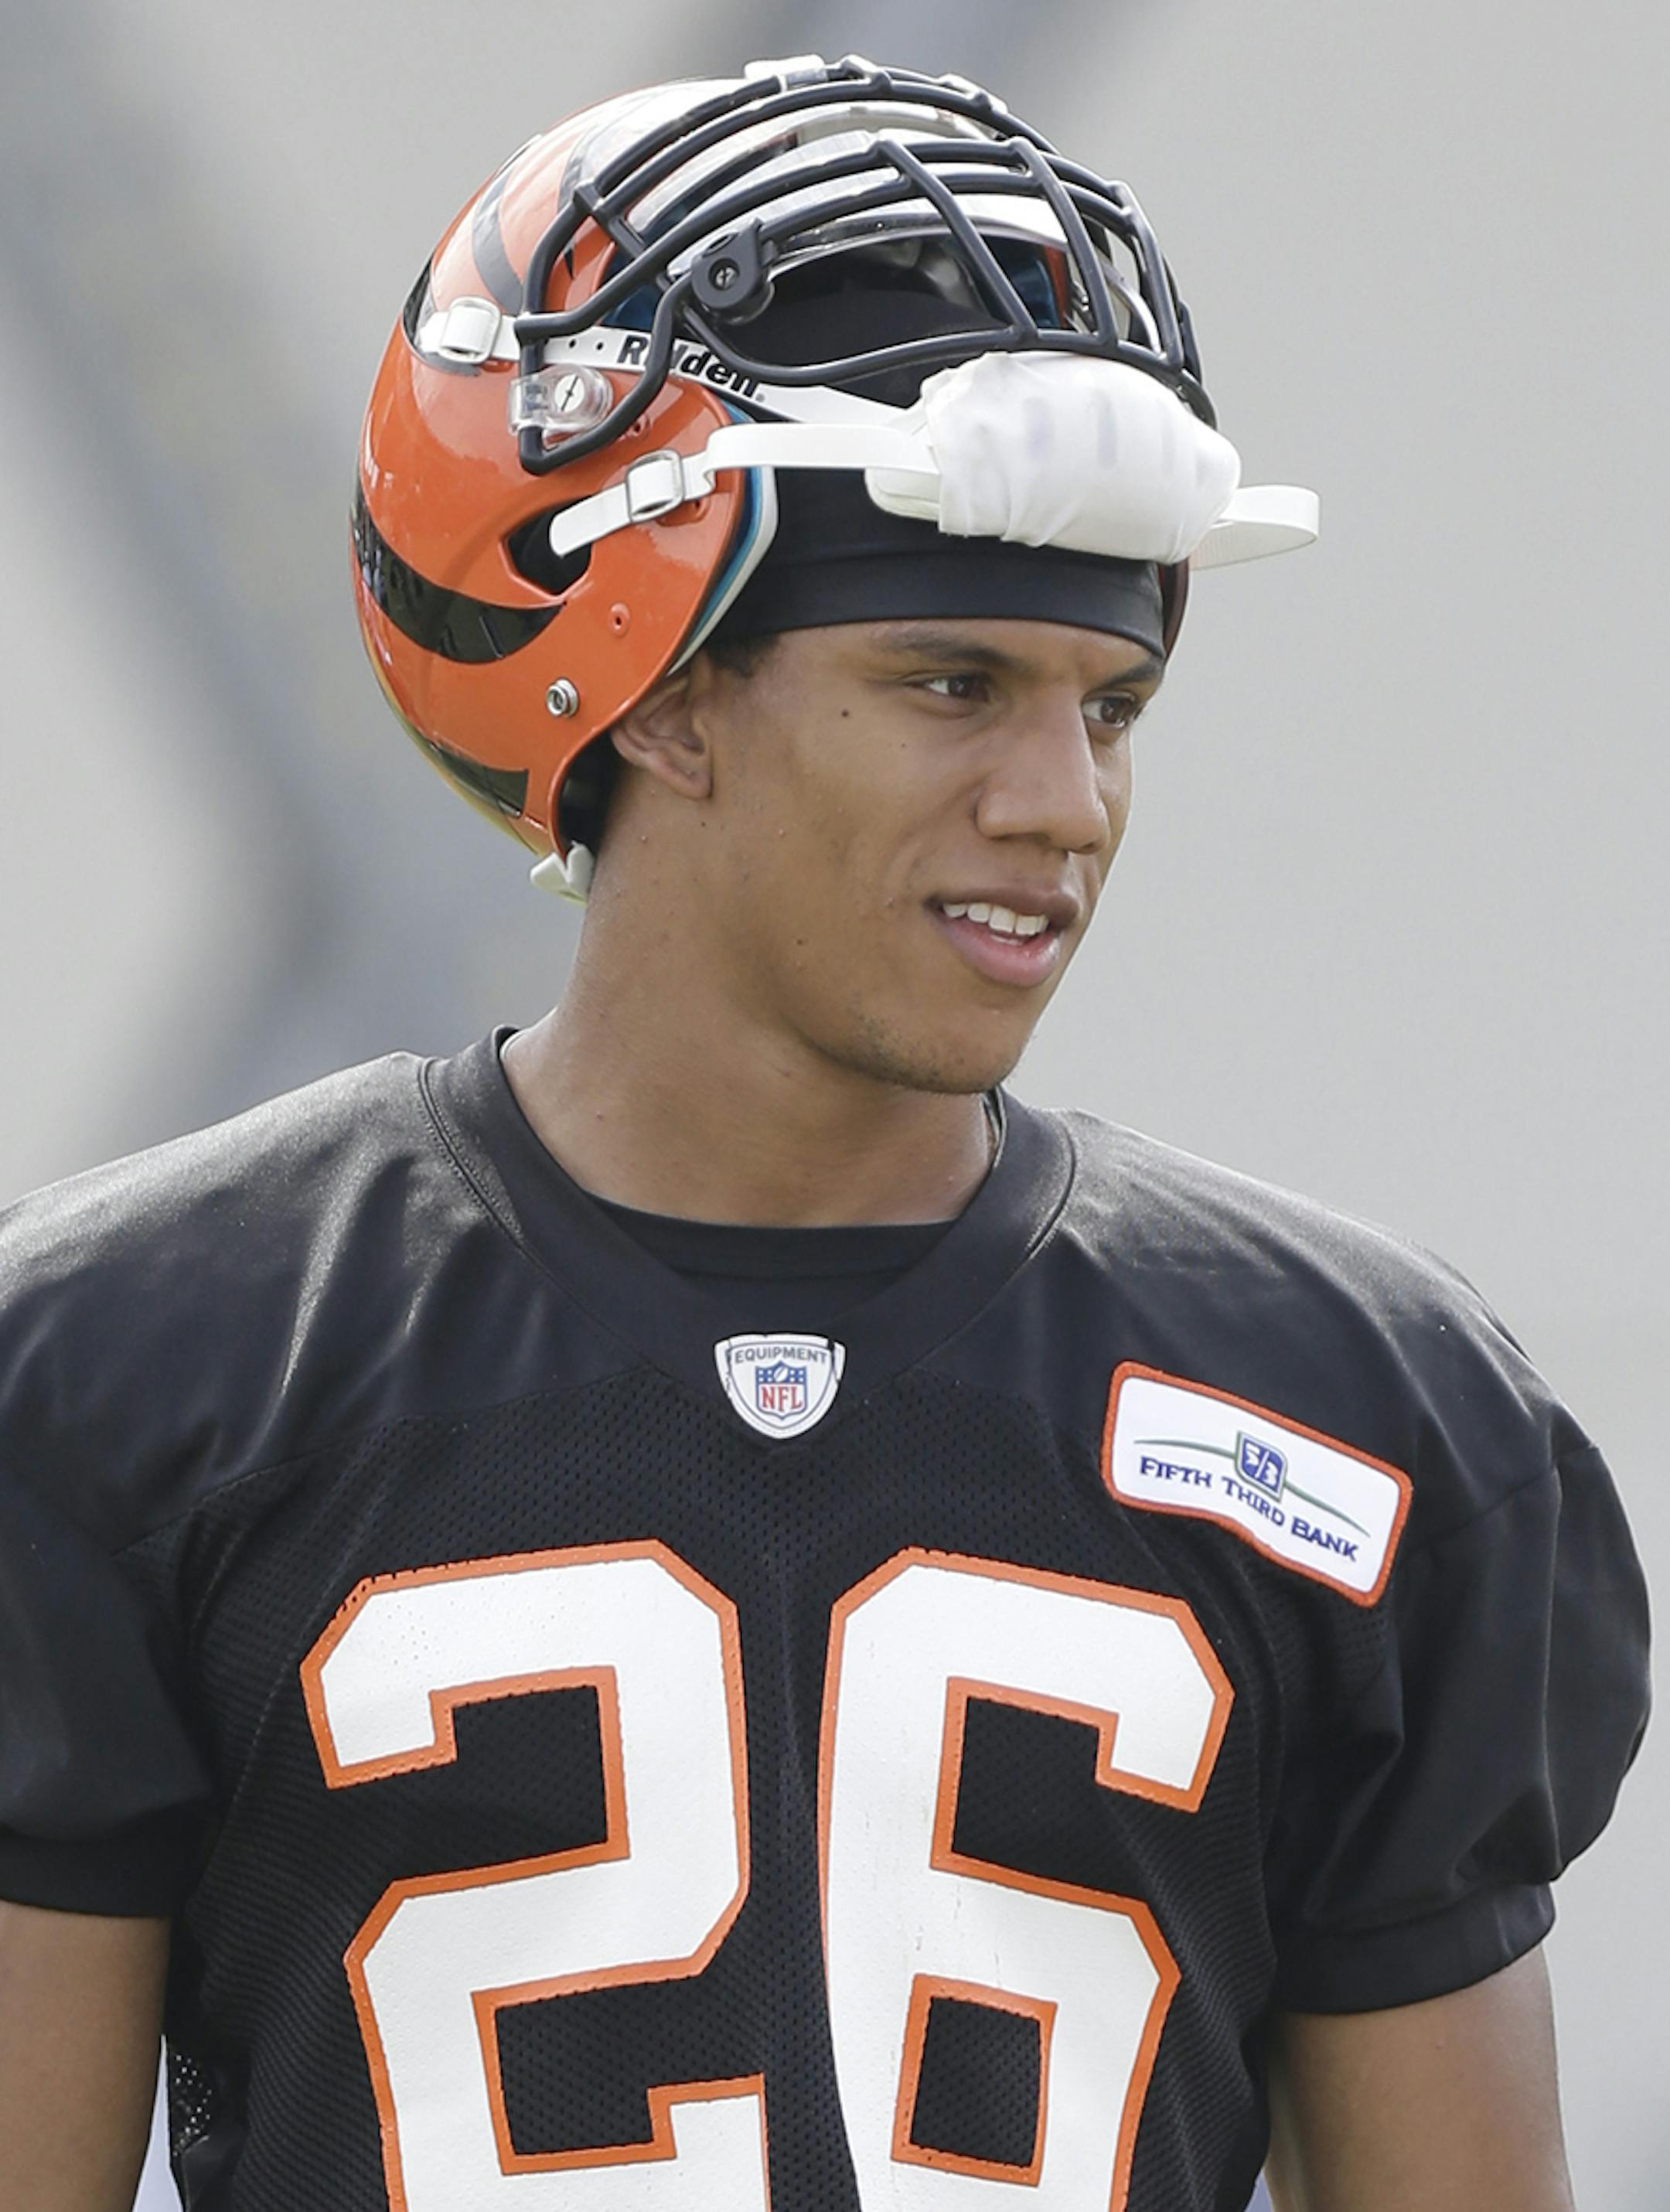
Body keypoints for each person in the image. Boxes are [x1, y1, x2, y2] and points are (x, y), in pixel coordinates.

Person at [0, 56, 1648, 2212]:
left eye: (1111, 703)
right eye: (954, 685)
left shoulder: (1364, 1414)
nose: (1062, 800)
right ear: (659, 682)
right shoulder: (136, 1371)